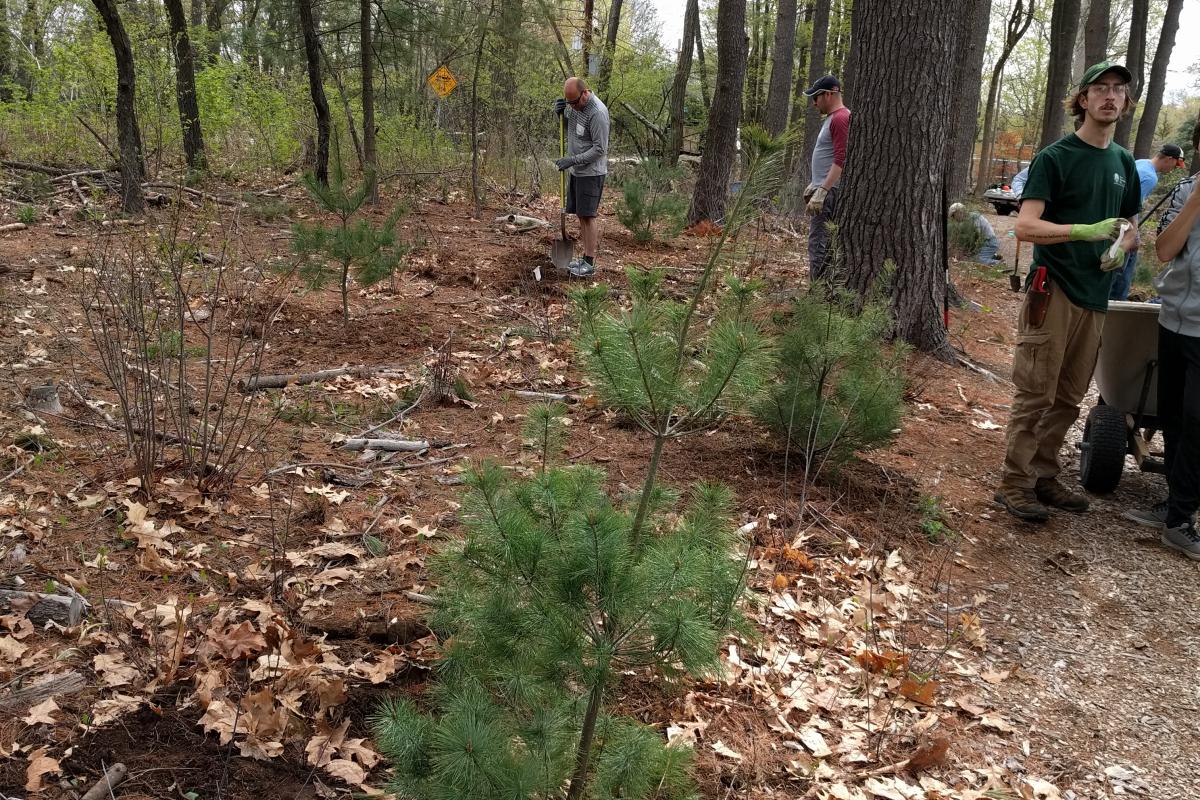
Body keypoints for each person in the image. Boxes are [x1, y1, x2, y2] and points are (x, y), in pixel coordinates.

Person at [994, 62, 1141, 523]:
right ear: (1082, 99)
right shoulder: (1055, 157)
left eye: (1118, 90)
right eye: (1100, 89)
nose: (1110, 97)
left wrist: (1121, 245)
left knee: (1069, 396)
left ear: (1125, 102)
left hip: (1095, 295)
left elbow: (1130, 226)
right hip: (1052, 289)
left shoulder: (1122, 163)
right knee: (1036, 391)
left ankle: (1043, 475)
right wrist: (1082, 231)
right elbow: (1024, 226)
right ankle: (1013, 483)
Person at [1123, 128, 1200, 559]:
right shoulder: (1186, 189)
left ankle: (1181, 518)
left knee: (1196, 422)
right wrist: (1194, 202)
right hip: (1174, 321)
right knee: (1171, 415)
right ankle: (1173, 503)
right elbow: (1167, 249)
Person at [1109, 143, 1188, 300]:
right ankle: (1116, 303)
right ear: (1170, 159)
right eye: (1176, 164)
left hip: (1114, 221)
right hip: (1122, 226)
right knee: (1125, 265)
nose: (1174, 169)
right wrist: (1134, 234)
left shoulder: (1142, 162)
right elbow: (1130, 206)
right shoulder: (1150, 177)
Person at [553, 77, 610, 278]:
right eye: (569, 104)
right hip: (578, 171)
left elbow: (599, 149)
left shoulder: (597, 113)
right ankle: (585, 259)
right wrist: (561, 115)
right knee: (580, 214)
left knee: (588, 215)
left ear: (585, 92)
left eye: (574, 103)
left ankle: (590, 261)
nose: (573, 107)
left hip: (591, 173)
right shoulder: (577, 108)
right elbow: (577, 132)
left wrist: (572, 160)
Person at [803, 74, 850, 280]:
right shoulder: (833, 118)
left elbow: (841, 158)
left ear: (830, 94)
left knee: (819, 243)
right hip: (826, 189)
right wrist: (814, 183)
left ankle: (817, 296)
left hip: (830, 194)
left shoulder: (841, 118)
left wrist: (823, 189)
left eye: (816, 97)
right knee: (823, 243)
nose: (814, 102)